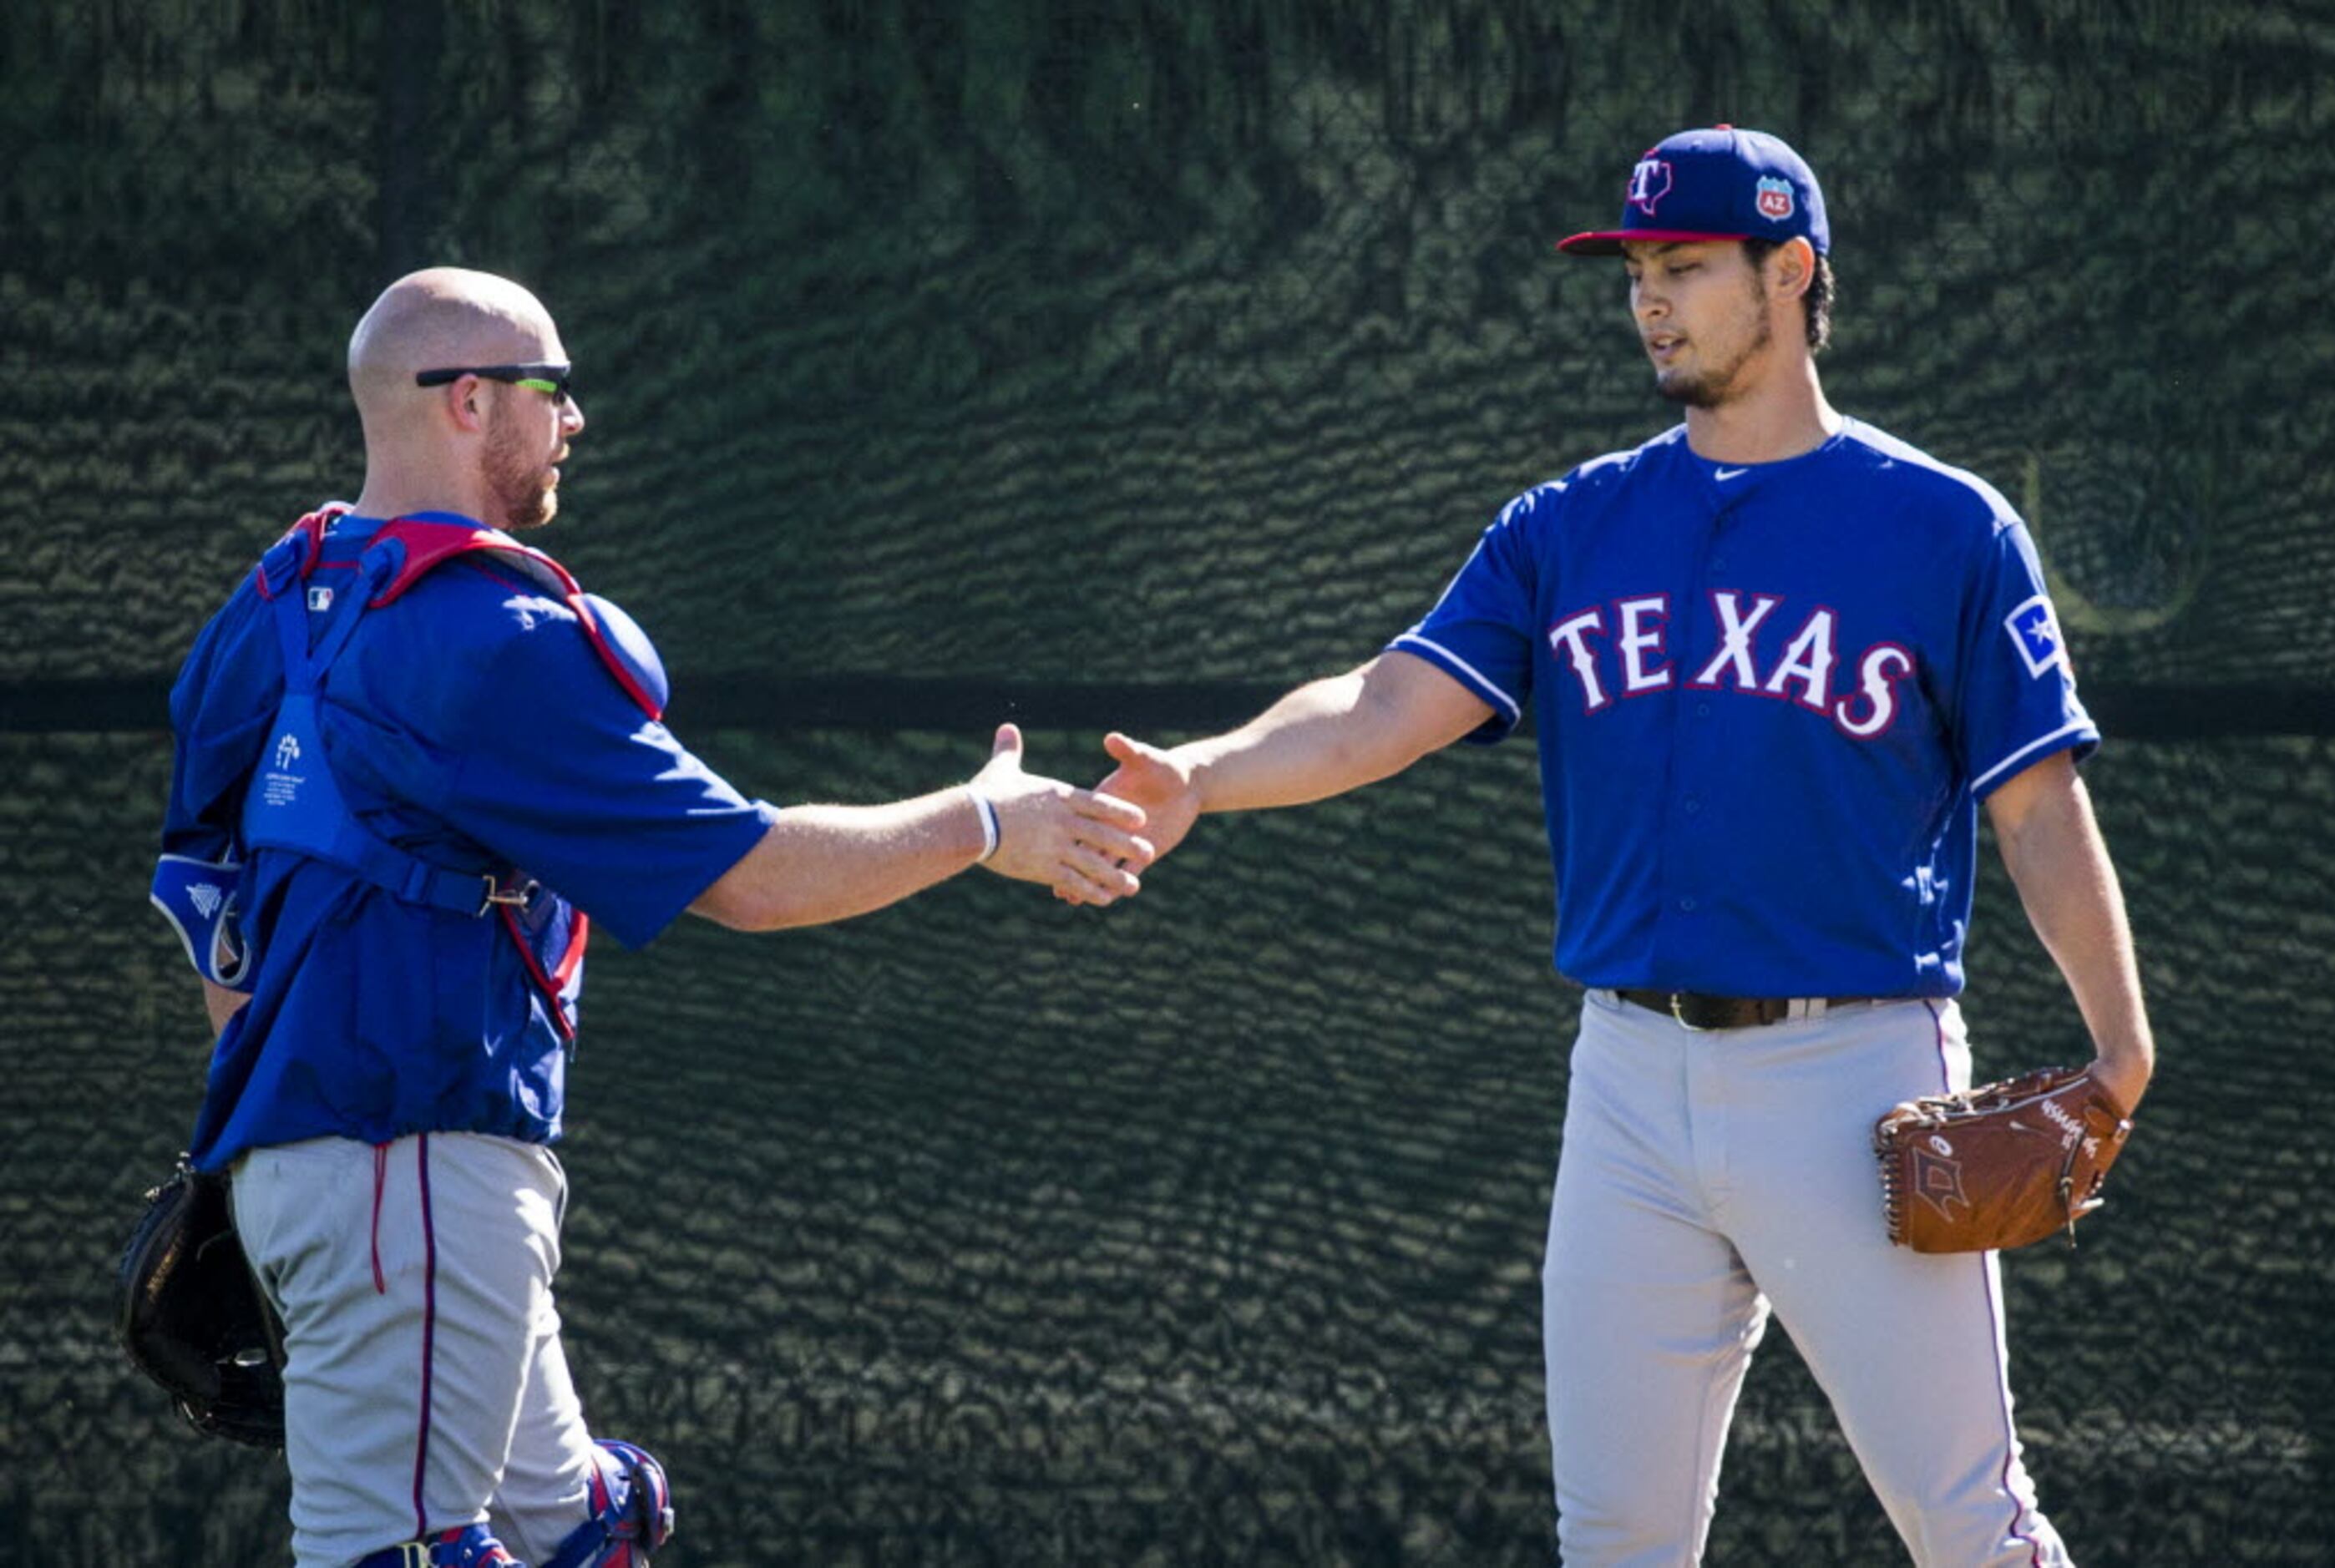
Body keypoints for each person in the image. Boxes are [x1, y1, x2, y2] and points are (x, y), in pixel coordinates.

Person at [1085, 126, 2154, 1564]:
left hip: (1852, 1074)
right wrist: (1207, 776)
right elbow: (1387, 699)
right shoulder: (1571, 525)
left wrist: (2120, 1043)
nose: (1650, 296)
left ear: (1791, 273)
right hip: (1629, 1084)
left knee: (1967, 1519)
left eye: (1687, 266)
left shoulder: (1943, 528)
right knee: (1617, 1536)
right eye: (1637, 267)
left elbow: (2036, 803)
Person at [148, 267, 1156, 1568]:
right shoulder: (489, 635)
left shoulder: (273, 605)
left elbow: (202, 897)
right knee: (389, 1555)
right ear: (468, 401)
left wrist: (280, 1144)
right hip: (413, 1160)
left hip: (319, 1161)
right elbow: (752, 872)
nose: (573, 420)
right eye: (551, 389)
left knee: (574, 1529)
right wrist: (982, 821)